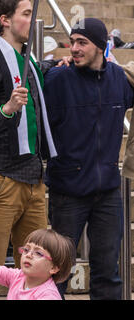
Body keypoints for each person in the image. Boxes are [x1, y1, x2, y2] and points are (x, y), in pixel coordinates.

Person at [0, 0, 58, 300]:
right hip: (1, 180)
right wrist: (6, 110)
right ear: (5, 20)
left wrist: (62, 63)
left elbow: (41, 71)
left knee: (37, 272)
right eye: (27, 14)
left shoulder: (28, 62)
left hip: (34, 179)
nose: (33, 21)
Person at [44, 18, 134, 300]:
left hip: (107, 192)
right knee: (57, 273)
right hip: (67, 192)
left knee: (108, 272)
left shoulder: (119, 79)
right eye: (71, 42)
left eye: (82, 42)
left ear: (101, 47)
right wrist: (48, 65)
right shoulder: (59, 79)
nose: (74, 48)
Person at [0, 229, 75, 300]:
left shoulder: (48, 296)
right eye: (26, 249)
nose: (29, 255)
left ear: (54, 268)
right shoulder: (18, 276)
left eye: (38, 253)